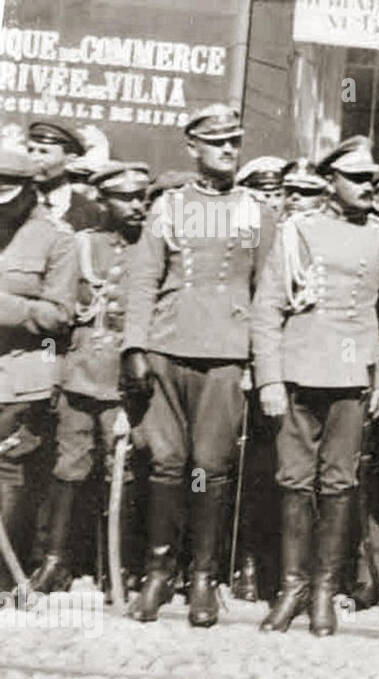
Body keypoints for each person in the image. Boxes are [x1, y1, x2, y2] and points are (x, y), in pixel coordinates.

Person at [120, 104, 276, 626]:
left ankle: (204, 577)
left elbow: (266, 289)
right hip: (168, 344)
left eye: (235, 141)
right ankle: (159, 573)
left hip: (226, 353)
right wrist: (135, 347)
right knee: (166, 463)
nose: (229, 150)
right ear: (193, 148)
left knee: (209, 468)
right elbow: (142, 279)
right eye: (217, 143)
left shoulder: (255, 211)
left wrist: (259, 360)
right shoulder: (169, 206)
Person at [252, 136, 379, 636]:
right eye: (357, 179)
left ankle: (326, 588)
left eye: (371, 179)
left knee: (340, 484)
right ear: (330, 182)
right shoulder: (296, 231)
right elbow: (267, 308)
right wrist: (270, 379)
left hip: (351, 376)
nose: (368, 187)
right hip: (299, 371)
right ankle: (293, 586)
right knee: (294, 481)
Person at [28, 162, 151, 594]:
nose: (137, 205)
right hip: (81, 375)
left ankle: (123, 565)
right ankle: (57, 560)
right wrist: (53, 372)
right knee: (69, 467)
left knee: (127, 470)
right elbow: (58, 314)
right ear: (103, 200)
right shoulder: (79, 245)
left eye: (142, 197)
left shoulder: (153, 249)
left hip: (128, 380)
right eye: (126, 197)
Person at [0, 149, 77, 592]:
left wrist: (8, 308)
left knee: (8, 473)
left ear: (30, 190)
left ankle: (4, 576)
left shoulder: (56, 238)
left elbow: (59, 315)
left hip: (19, 377)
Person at [25, 121, 103, 231]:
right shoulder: (13, 200)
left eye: (44, 152)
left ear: (70, 159)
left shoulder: (89, 210)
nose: (33, 158)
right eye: (30, 150)